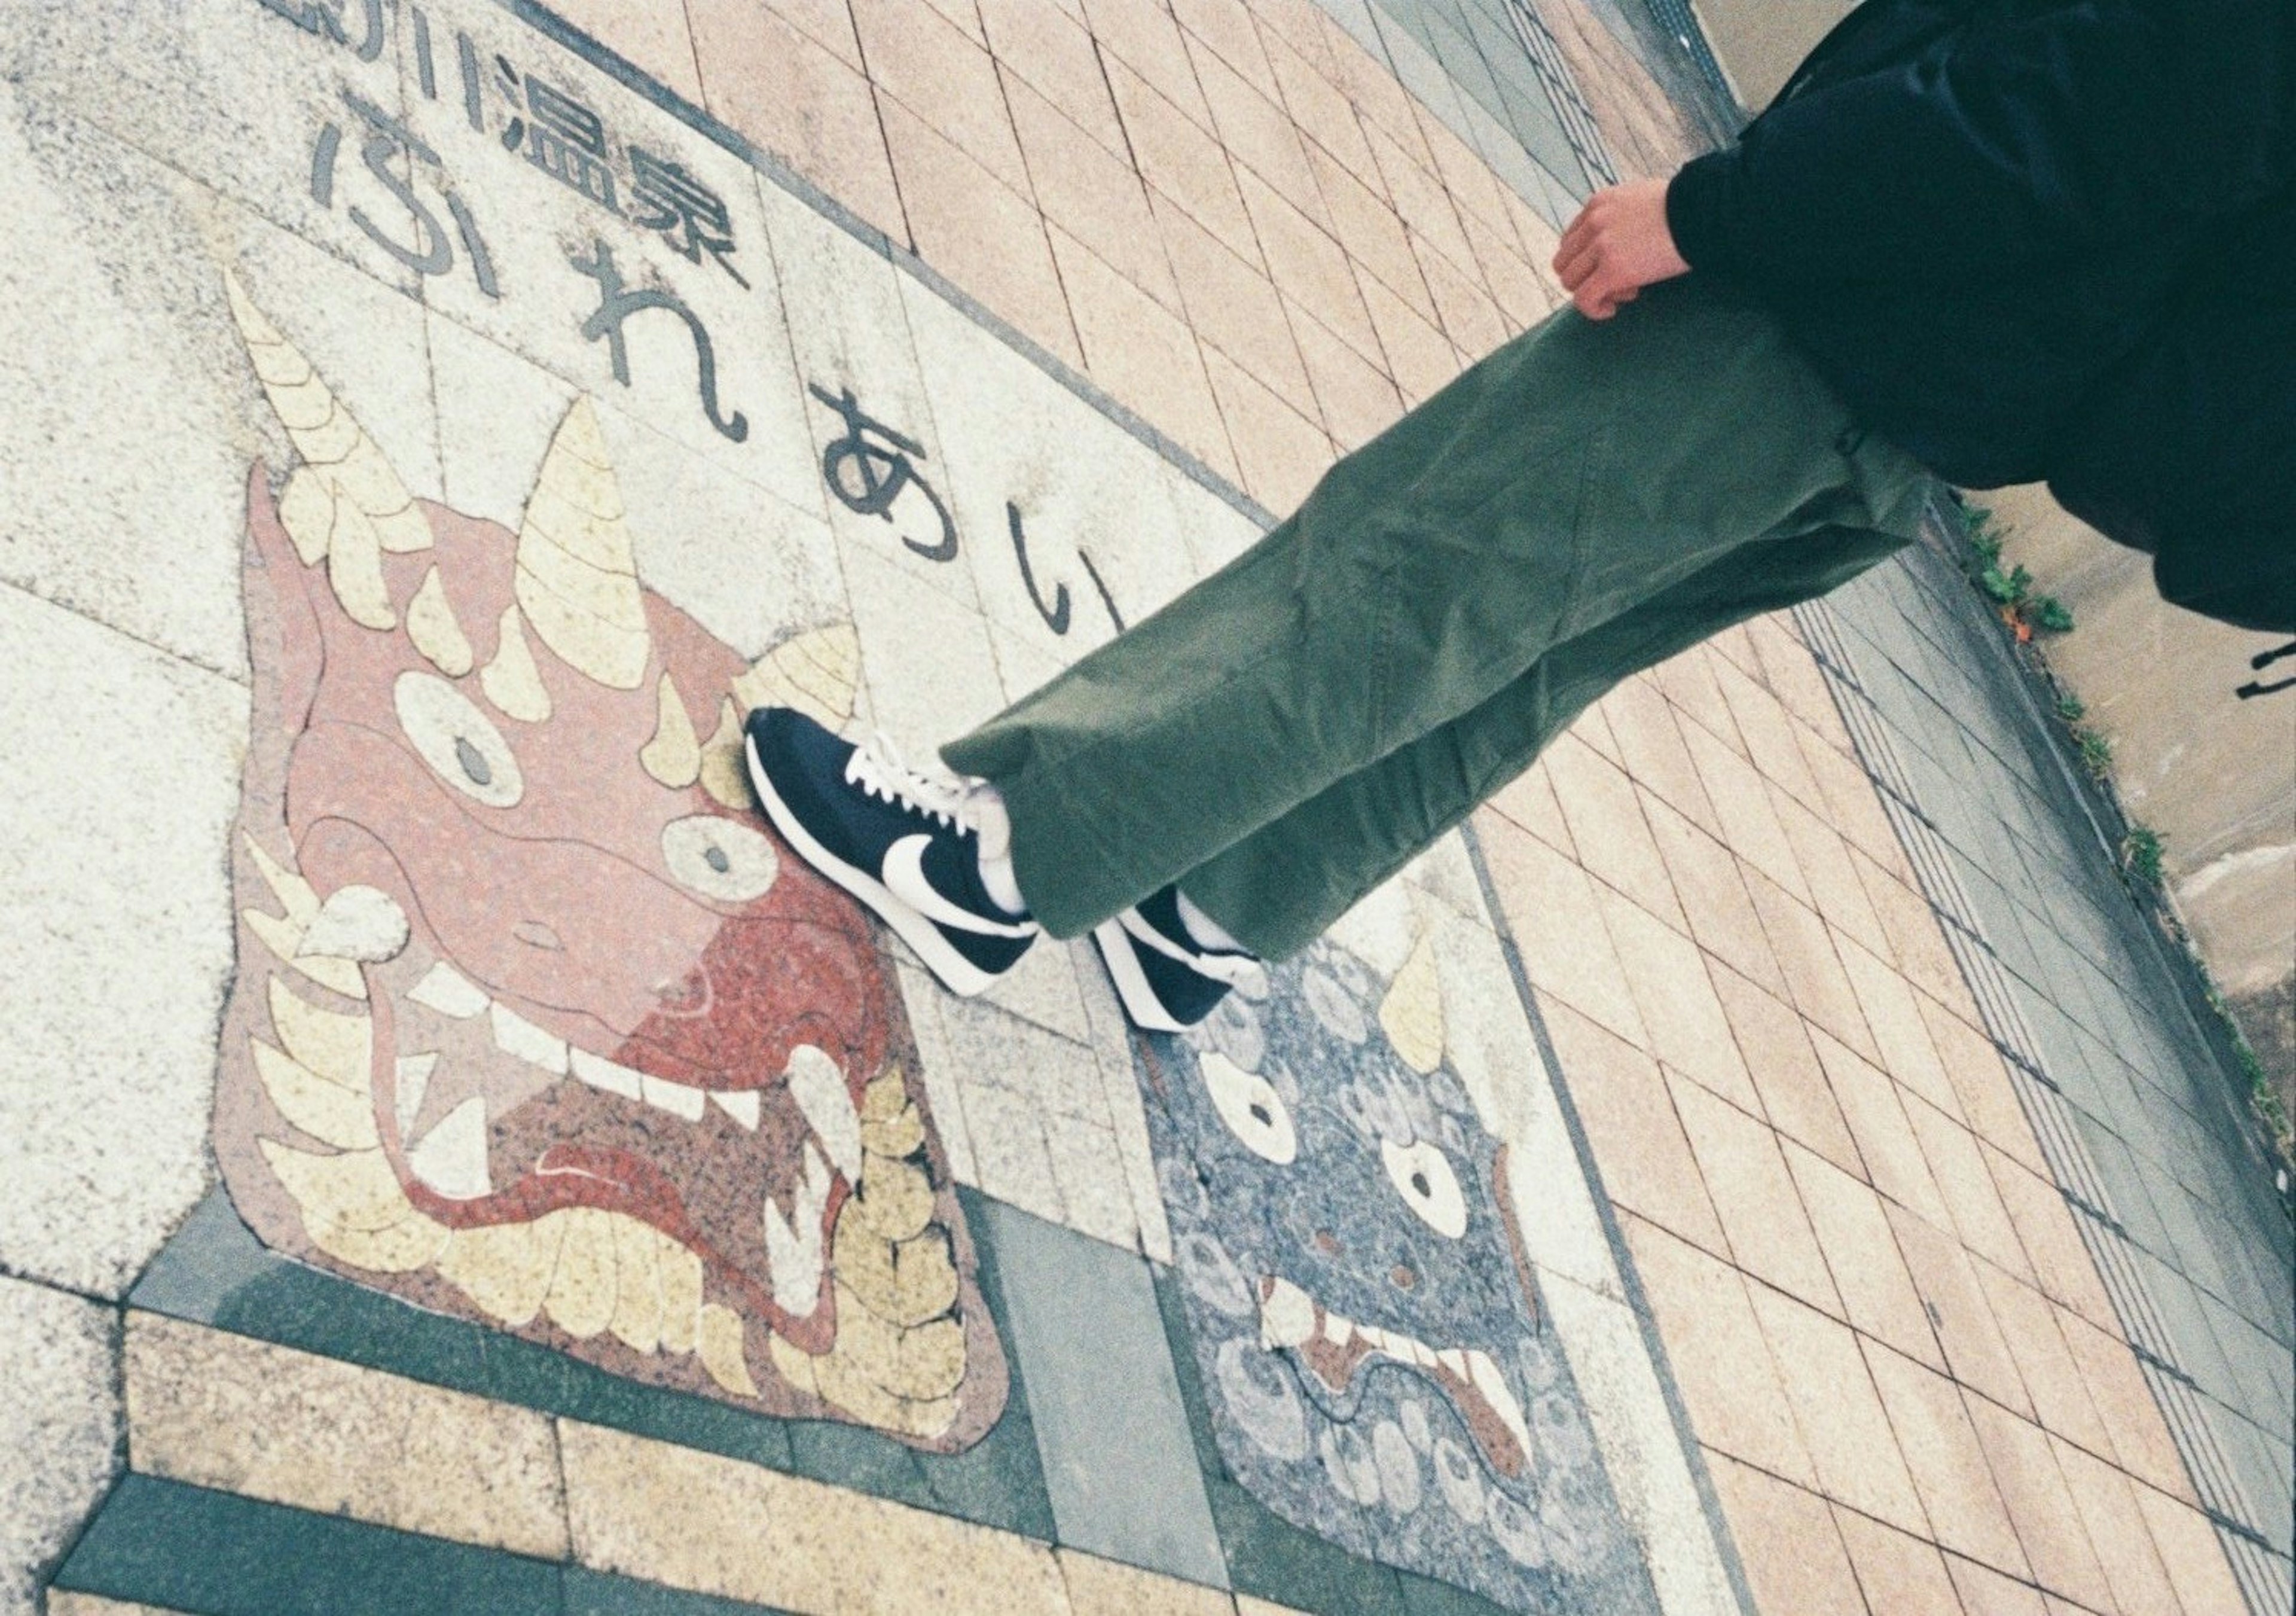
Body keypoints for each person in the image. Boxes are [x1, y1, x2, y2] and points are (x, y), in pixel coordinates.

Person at [747, 0, 2294, 1033]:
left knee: (1417, 569)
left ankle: (994, 861)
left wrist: (1708, 213)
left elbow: (2048, 124)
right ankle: (1211, 909)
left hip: (1827, 317)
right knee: (1532, 646)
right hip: (1932, 421)